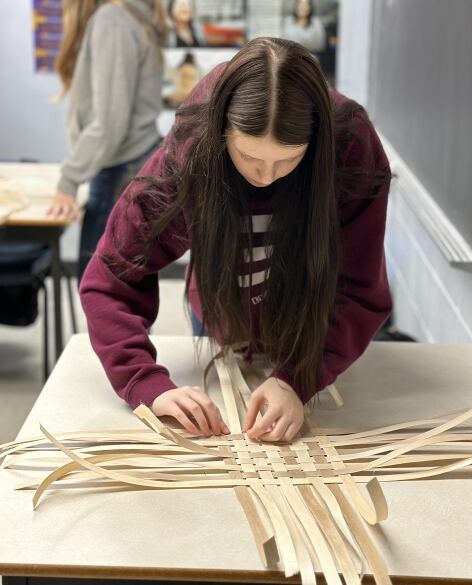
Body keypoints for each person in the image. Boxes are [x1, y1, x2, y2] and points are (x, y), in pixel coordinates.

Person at [80, 38, 392, 443]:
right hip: (220, 320)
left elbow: (361, 291)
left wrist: (298, 380)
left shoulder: (351, 146)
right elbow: (110, 277)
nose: (265, 176)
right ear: (222, 134)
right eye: (248, 157)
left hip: (312, 328)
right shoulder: (192, 146)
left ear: (315, 143)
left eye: (286, 160)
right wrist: (145, 384)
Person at [48, 0, 166, 280]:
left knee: (104, 291)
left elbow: (110, 124)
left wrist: (69, 180)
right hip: (133, 163)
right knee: (123, 293)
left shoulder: (112, 19)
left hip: (120, 170)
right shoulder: (131, 13)